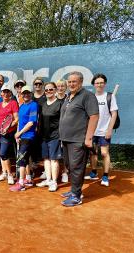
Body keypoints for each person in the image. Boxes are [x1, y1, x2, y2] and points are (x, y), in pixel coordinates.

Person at [59, 71, 99, 207]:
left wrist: (88, 138)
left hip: (78, 139)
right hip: (65, 139)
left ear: (81, 82)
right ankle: (74, 190)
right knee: (70, 166)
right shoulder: (68, 96)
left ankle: (76, 196)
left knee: (77, 167)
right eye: (69, 82)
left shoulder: (88, 96)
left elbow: (94, 116)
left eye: (74, 81)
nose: (71, 84)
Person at [84, 73, 118, 187]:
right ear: (94, 84)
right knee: (93, 153)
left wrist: (109, 130)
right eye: (97, 83)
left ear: (105, 84)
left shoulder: (110, 96)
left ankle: (105, 175)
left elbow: (114, 114)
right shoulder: (90, 97)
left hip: (104, 131)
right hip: (92, 131)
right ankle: (93, 173)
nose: (99, 84)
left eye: (101, 82)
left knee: (104, 153)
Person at [35, 82, 63, 192]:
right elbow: (39, 120)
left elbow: (63, 121)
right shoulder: (42, 104)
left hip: (55, 136)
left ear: (55, 90)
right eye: (46, 90)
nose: (48, 92)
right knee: (46, 159)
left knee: (54, 159)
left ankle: (54, 182)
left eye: (51, 90)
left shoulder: (60, 104)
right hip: (44, 136)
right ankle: (48, 179)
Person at [0, 83, 19, 185]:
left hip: (7, 133)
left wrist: (8, 126)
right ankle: (4, 173)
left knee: (3, 153)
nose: (6, 94)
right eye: (4, 92)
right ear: (1, 93)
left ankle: (10, 175)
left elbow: (16, 119)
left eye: (8, 92)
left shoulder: (13, 103)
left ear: (10, 93)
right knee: (0, 154)